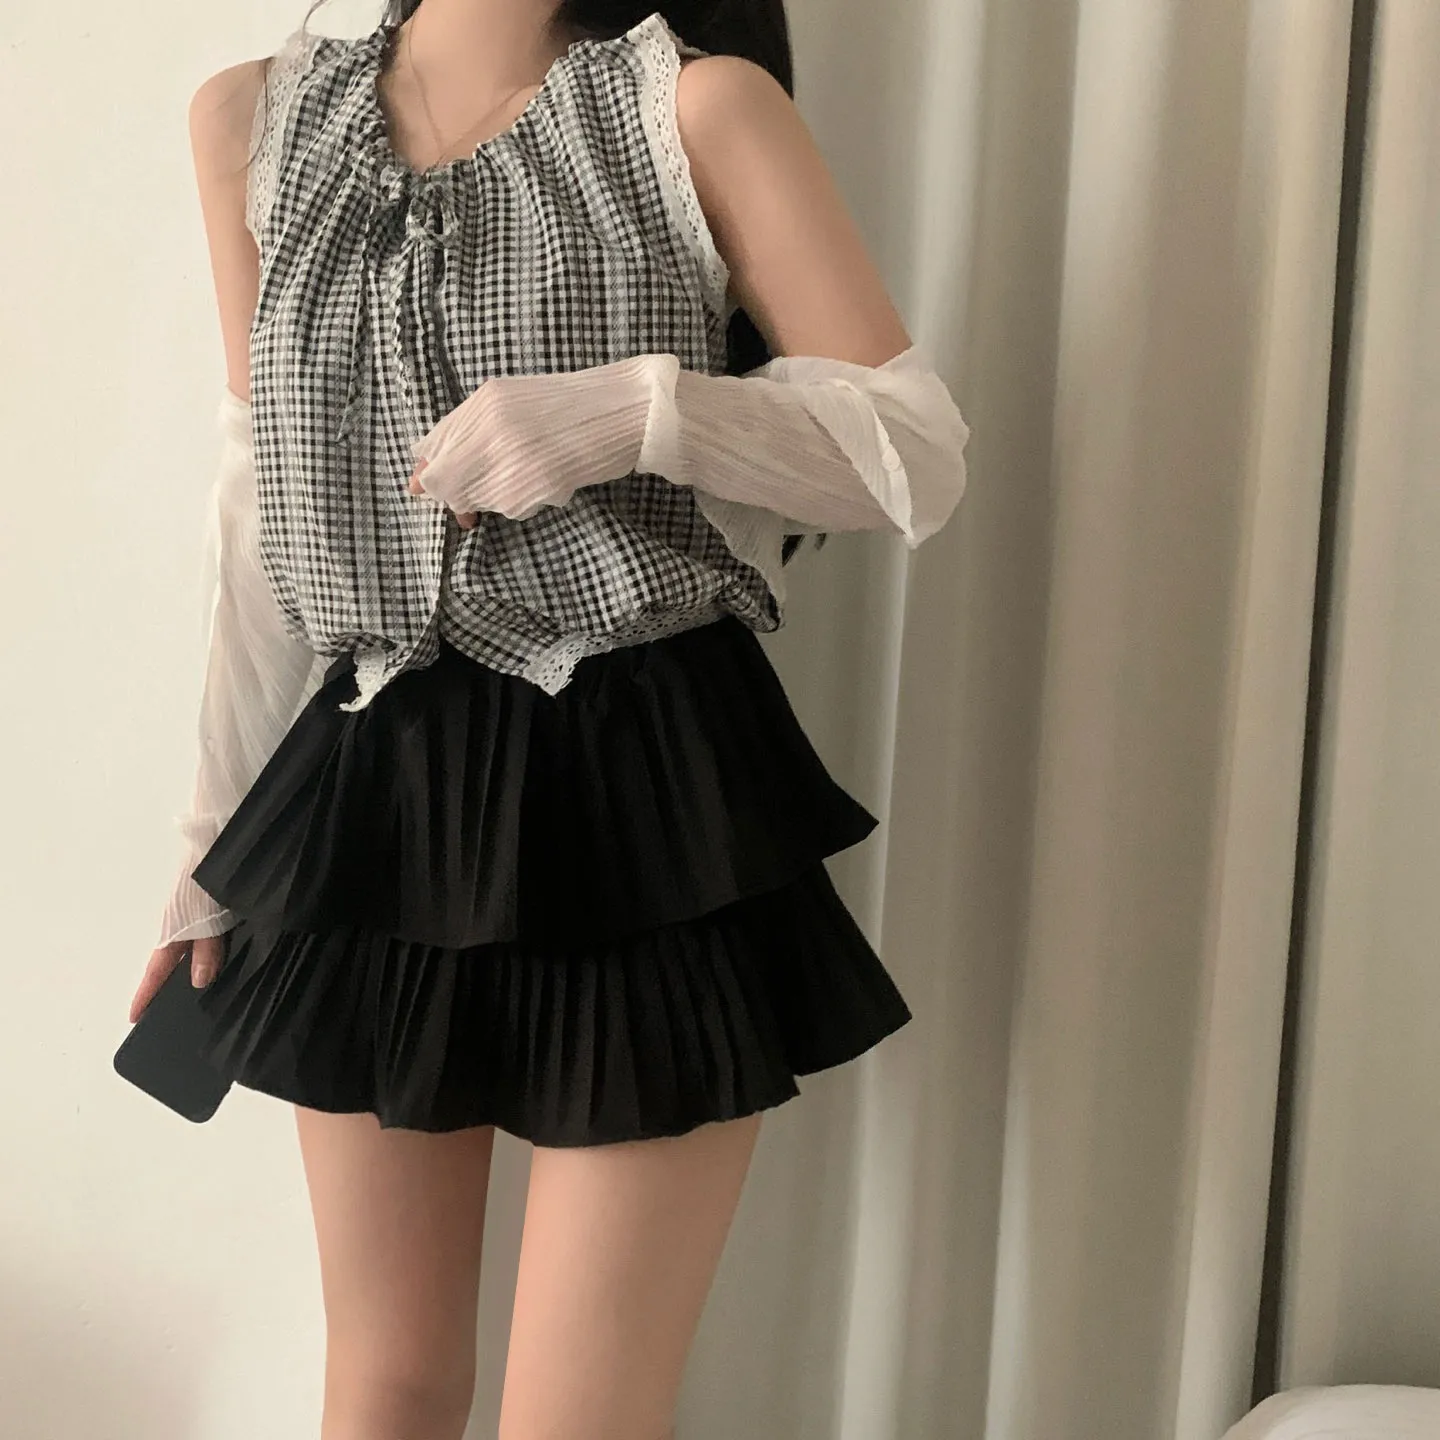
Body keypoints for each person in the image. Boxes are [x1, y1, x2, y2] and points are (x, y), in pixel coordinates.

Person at [128, 1, 970, 1435]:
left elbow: (915, 452)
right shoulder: (254, 123)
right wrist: (213, 840)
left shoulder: (697, 110)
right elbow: (262, 496)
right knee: (384, 1387)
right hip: (371, 774)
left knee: (581, 1415)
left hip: (648, 787)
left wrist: (636, 413)